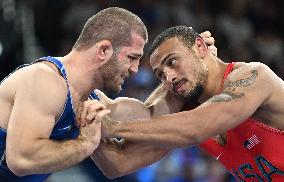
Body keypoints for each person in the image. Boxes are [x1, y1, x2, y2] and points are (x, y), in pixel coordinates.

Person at [86, 26, 284, 181]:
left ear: (200, 47)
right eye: (160, 74)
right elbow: (119, 163)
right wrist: (84, 106)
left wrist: (113, 128)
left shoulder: (255, 77)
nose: (169, 77)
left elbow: (199, 126)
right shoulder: (186, 108)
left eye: (172, 61)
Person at [0, 7, 149, 181]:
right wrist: (84, 144)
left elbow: (148, 114)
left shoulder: (92, 102)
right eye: (131, 57)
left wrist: (180, 90)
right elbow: (20, 160)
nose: (135, 69)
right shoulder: (43, 80)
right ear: (104, 50)